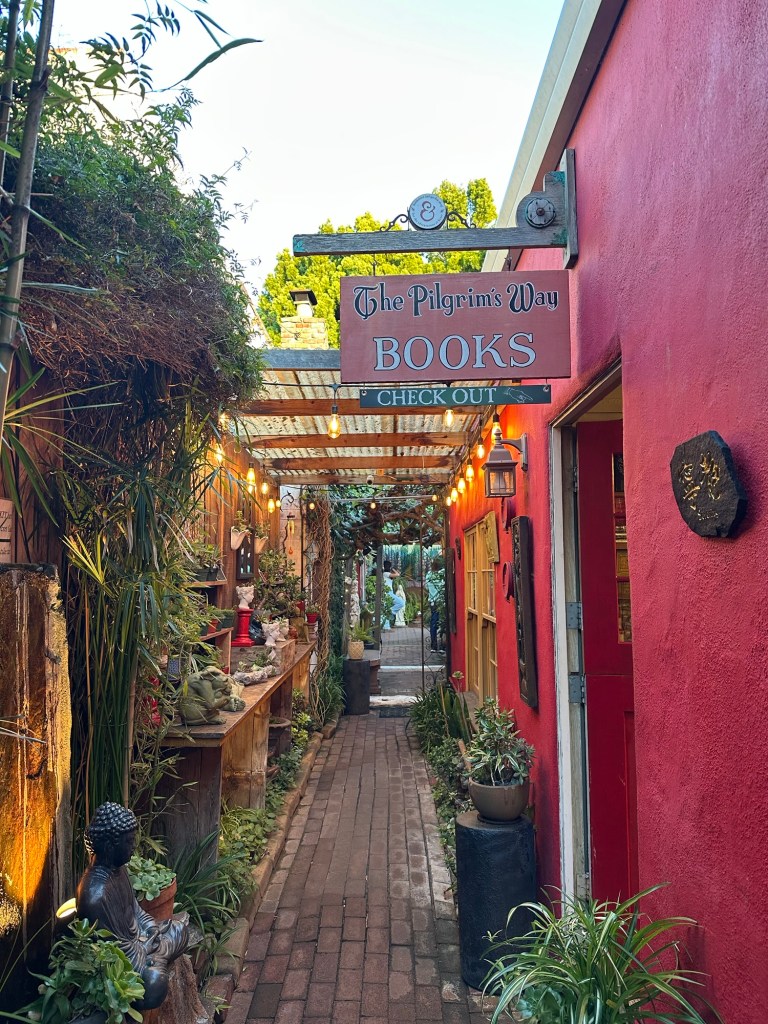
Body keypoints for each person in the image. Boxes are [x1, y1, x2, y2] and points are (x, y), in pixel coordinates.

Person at [76, 802, 191, 1010]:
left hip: (143, 941)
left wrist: (151, 928)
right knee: (154, 984)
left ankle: (158, 956)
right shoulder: (95, 895)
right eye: (129, 842)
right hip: (131, 956)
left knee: (180, 928)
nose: (133, 847)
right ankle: (159, 959)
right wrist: (147, 946)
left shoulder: (119, 870)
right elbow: (114, 951)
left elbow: (136, 911)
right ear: (111, 846)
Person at [425, 557, 445, 653]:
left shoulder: (429, 575)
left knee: (433, 623)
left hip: (433, 602)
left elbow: (426, 587)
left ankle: (433, 646)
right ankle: (442, 646)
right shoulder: (442, 573)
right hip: (442, 602)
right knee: (442, 623)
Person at [383, 560, 405, 627]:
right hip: (388, 593)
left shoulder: (387, 575)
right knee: (401, 603)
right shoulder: (385, 574)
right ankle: (389, 613)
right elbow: (398, 574)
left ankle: (386, 624)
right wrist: (392, 568)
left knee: (388, 607)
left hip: (389, 592)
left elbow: (398, 574)